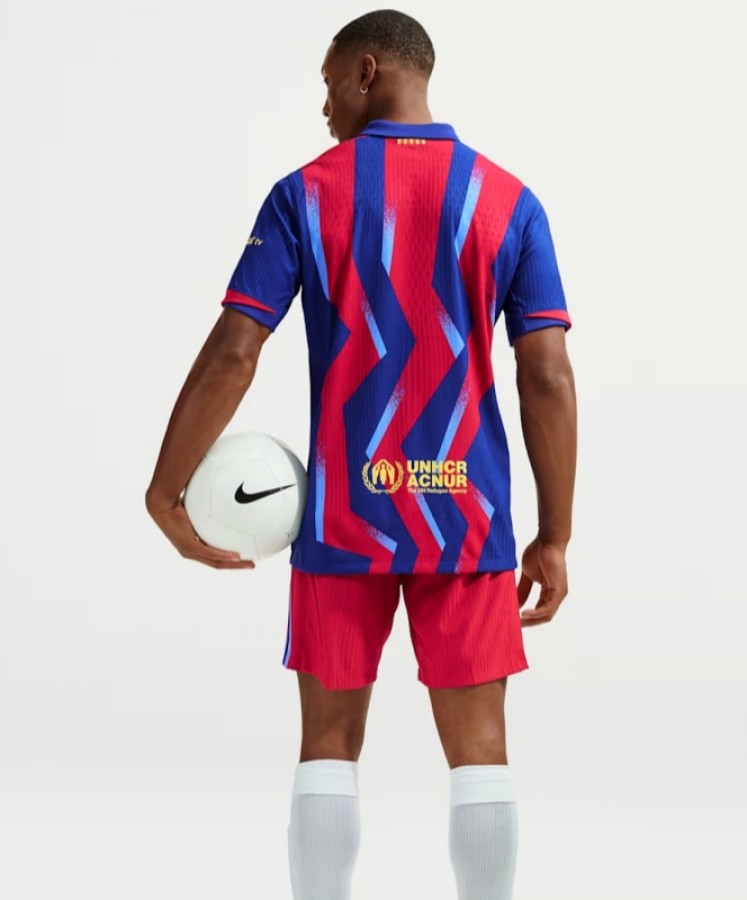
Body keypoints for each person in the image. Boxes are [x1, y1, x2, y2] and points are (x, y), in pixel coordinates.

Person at [145, 9, 577, 899]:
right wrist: (555, 535)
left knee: (328, 745)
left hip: (345, 517)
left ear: (368, 70)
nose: (325, 106)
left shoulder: (305, 194)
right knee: (481, 751)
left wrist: (167, 488)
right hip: (466, 521)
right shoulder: (509, 201)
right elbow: (546, 375)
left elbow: (233, 352)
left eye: (329, 83)